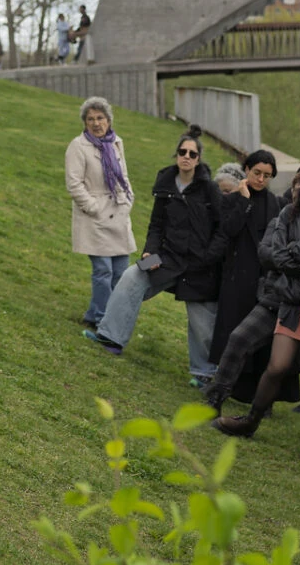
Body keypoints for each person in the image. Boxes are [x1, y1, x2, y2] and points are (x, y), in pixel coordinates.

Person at [213, 158, 300, 459]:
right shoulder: (289, 212)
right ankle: (250, 420)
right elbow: (276, 257)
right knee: (277, 366)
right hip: (292, 302)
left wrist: (299, 252)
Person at [88, 127, 223, 387]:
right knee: (131, 275)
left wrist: (209, 257)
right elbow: (156, 225)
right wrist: (149, 251)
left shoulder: (210, 190)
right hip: (165, 256)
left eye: (192, 154)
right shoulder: (164, 183)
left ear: (198, 159)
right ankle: (110, 337)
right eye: (182, 152)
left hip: (199, 265)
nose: (186, 157)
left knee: (202, 321)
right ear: (176, 155)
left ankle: (204, 375)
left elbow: (221, 230)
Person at [205, 151, 288, 410]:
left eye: (267, 175)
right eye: (256, 173)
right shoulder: (232, 198)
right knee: (233, 329)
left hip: (263, 276)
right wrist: (243, 201)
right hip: (238, 272)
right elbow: (228, 230)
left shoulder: (275, 204)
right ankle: (225, 385)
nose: (261, 179)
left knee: (257, 337)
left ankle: (254, 391)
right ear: (247, 171)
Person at [64, 97, 136, 330]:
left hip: (118, 212)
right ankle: (99, 318)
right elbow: (74, 184)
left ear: (108, 120)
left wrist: (128, 201)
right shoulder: (78, 146)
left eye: (100, 118)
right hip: (94, 217)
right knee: (103, 270)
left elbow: (123, 176)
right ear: (84, 123)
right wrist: (93, 207)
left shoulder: (116, 142)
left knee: (121, 272)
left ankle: (107, 315)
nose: (96, 123)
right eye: (91, 119)